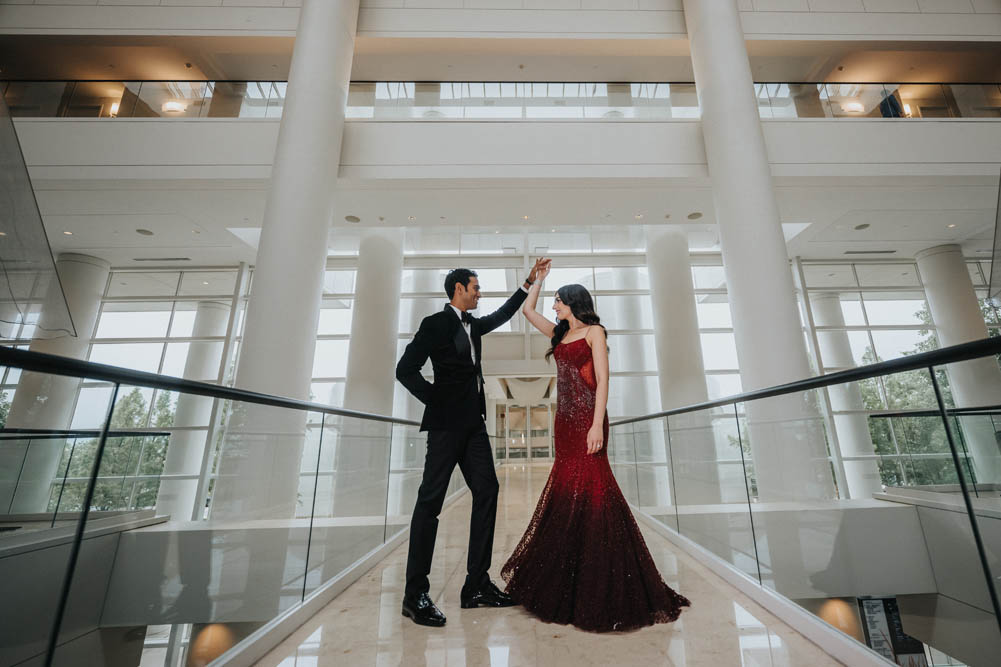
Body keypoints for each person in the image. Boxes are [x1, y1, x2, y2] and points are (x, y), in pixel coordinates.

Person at [501, 264, 691, 632]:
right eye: (553, 301)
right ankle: (566, 581)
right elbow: (527, 311)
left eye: (557, 301)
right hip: (564, 425)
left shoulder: (594, 332)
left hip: (589, 420)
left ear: (573, 303)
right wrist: (538, 282)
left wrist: (595, 424)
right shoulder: (559, 335)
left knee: (596, 490)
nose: (554, 306)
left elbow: (603, 380)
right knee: (568, 491)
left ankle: (606, 578)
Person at [396, 258, 551, 627]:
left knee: (487, 491)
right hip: (446, 426)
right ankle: (414, 593)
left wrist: (529, 282)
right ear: (458, 289)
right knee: (430, 502)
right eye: (476, 287)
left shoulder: (473, 326)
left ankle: (476, 585)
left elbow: (502, 314)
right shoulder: (435, 324)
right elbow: (405, 370)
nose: (480, 293)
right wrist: (437, 401)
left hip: (474, 426)